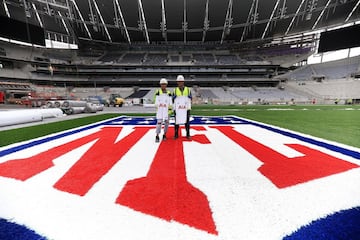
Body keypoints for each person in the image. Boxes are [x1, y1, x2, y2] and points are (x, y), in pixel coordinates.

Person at [173, 75, 192, 139]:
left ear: (183, 82)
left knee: (187, 121)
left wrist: (190, 98)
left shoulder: (188, 89)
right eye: (179, 82)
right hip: (178, 108)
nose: (180, 83)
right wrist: (173, 98)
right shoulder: (175, 90)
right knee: (177, 121)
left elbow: (191, 98)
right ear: (177, 82)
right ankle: (176, 134)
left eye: (181, 81)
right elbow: (172, 100)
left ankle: (188, 134)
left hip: (186, 108)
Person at [154, 78, 172, 142]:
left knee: (166, 124)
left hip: (166, 111)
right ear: (160, 85)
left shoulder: (169, 92)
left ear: (166, 85)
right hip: (160, 110)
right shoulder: (158, 92)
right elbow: (156, 102)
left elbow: (170, 102)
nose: (163, 85)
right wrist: (158, 106)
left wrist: (169, 110)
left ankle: (164, 134)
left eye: (164, 84)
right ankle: (157, 135)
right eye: (162, 84)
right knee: (159, 123)